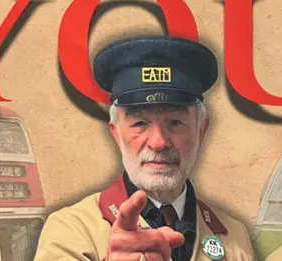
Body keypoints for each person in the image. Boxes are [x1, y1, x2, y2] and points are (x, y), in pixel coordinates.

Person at [34, 36, 256, 261]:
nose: (159, 142)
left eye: (175, 122)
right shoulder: (70, 230)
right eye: (140, 123)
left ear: (201, 129)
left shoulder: (234, 235)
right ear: (117, 134)